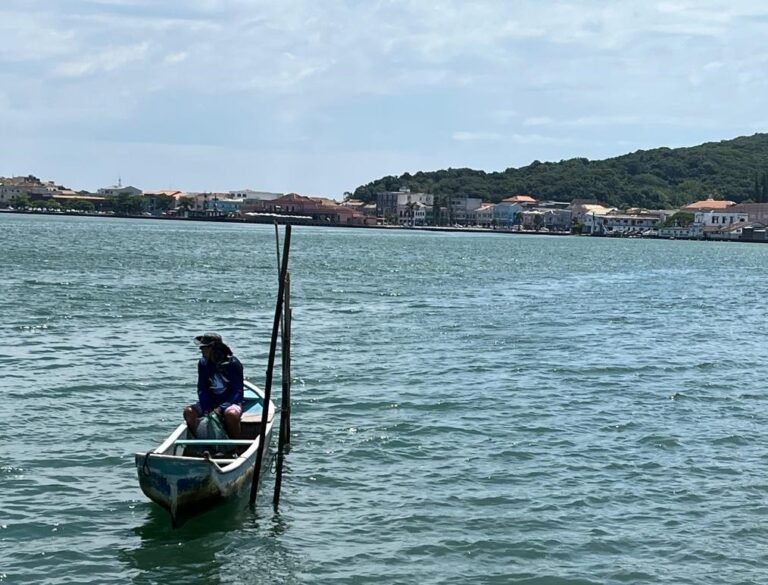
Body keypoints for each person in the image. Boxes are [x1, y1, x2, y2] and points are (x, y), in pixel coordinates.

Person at [184, 332, 244, 439]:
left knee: (231, 415)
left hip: (230, 402)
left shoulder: (233, 364)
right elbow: (202, 388)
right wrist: (208, 406)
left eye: (204, 347)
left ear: (214, 348)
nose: (201, 350)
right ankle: (200, 442)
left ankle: (235, 445)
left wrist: (221, 408)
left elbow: (237, 392)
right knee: (189, 413)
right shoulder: (203, 363)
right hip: (210, 402)